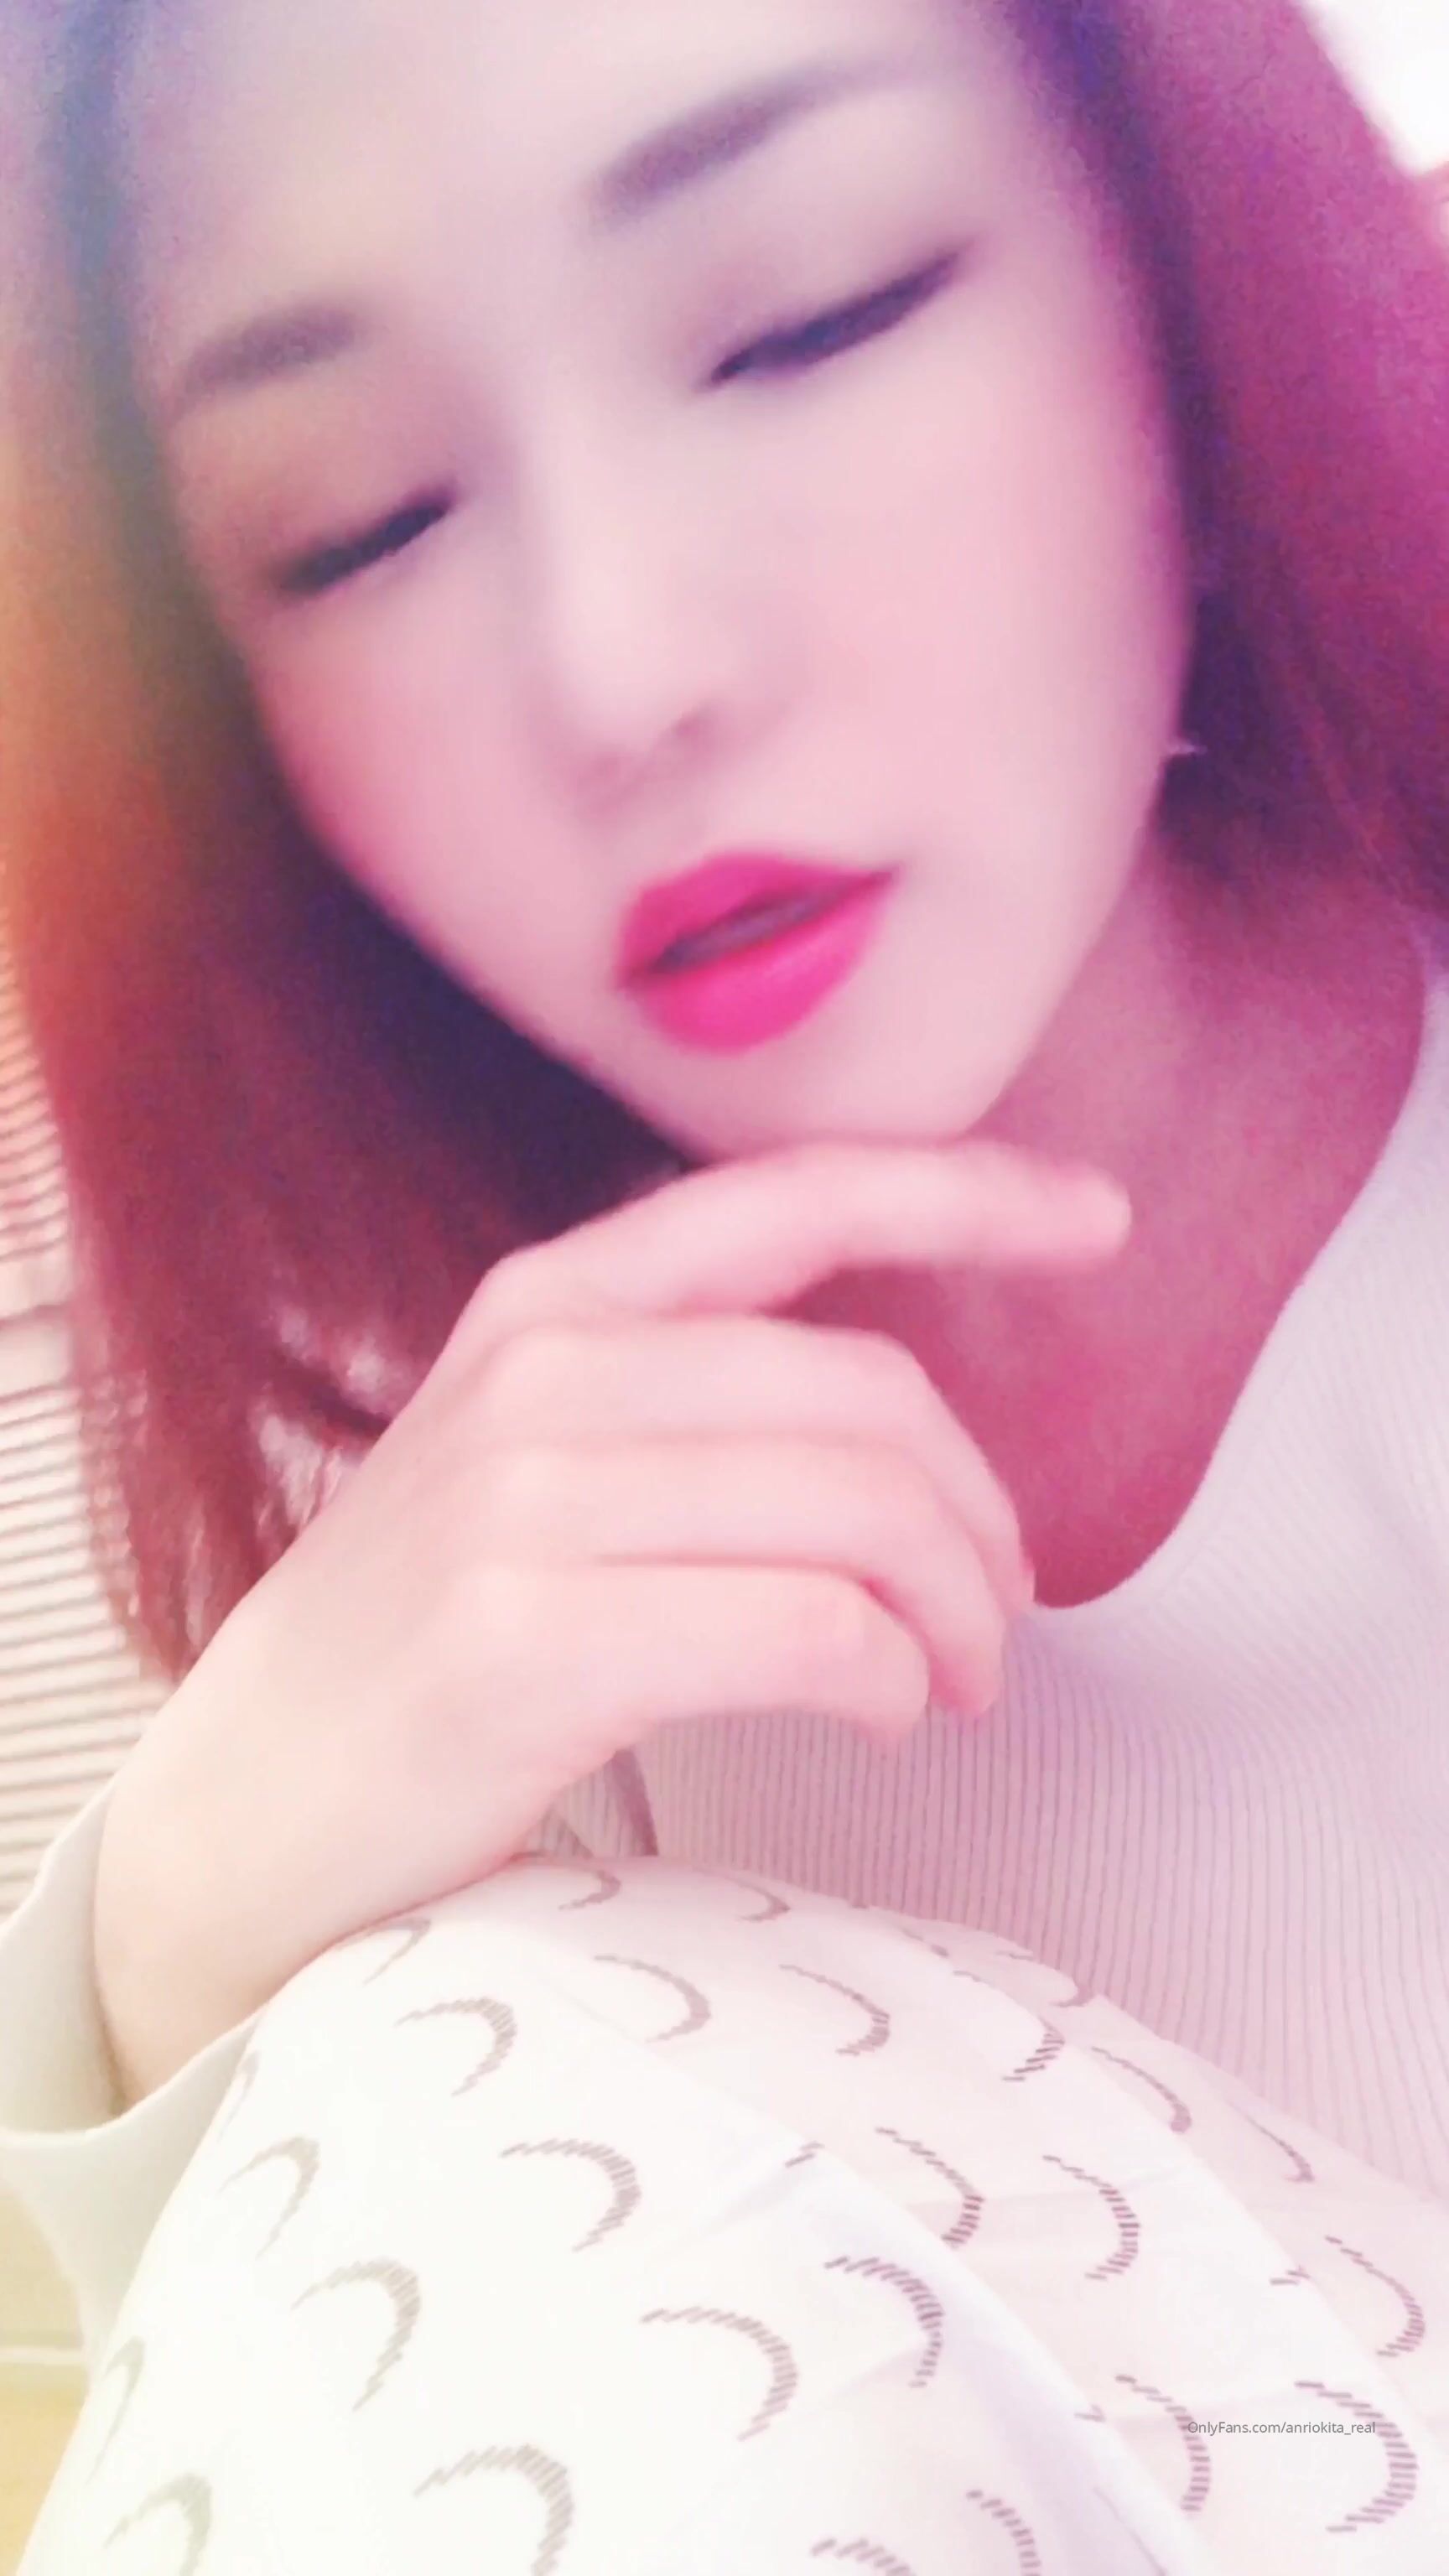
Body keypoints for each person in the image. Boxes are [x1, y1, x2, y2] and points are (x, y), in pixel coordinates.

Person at [3, 0, 1449, 2558]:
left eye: (808, 311)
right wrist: (171, 1925)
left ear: (1179, 270)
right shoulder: (461, 1493)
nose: (622, 673)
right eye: (356, 523)